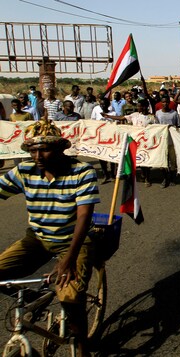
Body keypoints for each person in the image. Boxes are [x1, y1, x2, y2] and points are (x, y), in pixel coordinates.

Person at [0, 119, 100, 357]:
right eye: (33, 150)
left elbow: (84, 217)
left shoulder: (82, 172)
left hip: (73, 240)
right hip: (37, 238)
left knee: (71, 297)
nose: (38, 156)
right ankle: (39, 299)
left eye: (44, 149)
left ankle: (82, 346)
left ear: (59, 149)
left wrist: (68, 258)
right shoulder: (24, 171)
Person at [103, 100, 156, 187]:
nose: (138, 108)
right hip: (135, 141)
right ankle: (139, 175)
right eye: (138, 106)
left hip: (146, 142)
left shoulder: (151, 118)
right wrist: (108, 116)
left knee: (146, 161)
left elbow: (155, 129)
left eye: (140, 106)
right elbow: (122, 118)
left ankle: (147, 178)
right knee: (137, 160)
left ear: (145, 107)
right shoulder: (135, 115)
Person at [155, 96, 180, 188]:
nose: (165, 104)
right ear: (161, 103)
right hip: (162, 142)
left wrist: (172, 127)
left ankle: (173, 179)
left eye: (166, 102)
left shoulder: (174, 113)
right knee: (162, 162)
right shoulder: (158, 113)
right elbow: (156, 127)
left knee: (173, 162)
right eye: (163, 102)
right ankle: (165, 179)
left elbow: (178, 126)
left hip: (172, 142)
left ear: (169, 103)